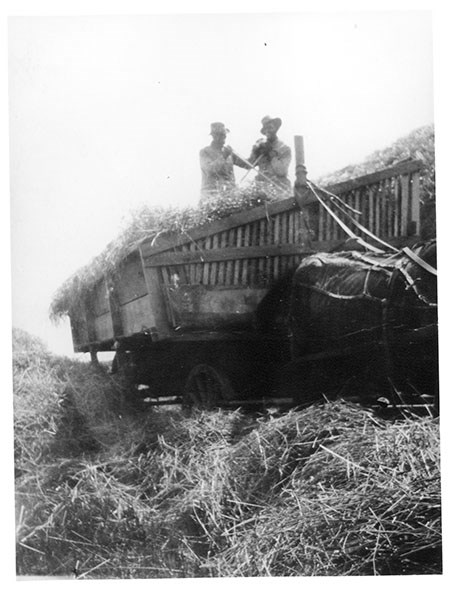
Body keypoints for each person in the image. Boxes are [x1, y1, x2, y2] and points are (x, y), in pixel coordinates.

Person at [199, 122, 247, 203]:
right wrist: (224, 156)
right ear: (213, 136)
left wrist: (257, 150)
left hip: (230, 195)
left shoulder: (229, 152)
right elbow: (209, 170)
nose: (223, 136)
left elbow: (246, 165)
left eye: (224, 134)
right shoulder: (205, 152)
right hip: (211, 197)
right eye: (220, 134)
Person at [248, 116, 292, 195]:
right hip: (262, 190)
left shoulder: (284, 148)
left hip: (280, 190)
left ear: (276, 128)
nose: (268, 131)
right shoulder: (260, 147)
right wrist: (255, 152)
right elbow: (249, 165)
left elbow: (281, 171)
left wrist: (271, 155)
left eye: (270, 128)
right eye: (266, 129)